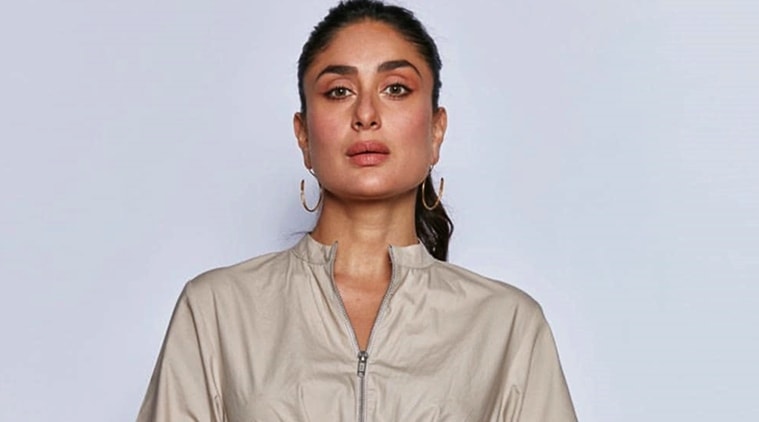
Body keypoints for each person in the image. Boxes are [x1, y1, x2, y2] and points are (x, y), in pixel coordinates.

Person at [137, 0, 577, 420]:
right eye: (339, 91)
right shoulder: (217, 310)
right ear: (303, 135)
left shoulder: (507, 325)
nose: (366, 114)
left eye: (396, 89)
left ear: (436, 131)